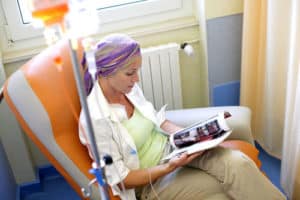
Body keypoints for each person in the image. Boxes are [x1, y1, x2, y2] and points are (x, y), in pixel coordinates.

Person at [79, 34, 286, 200]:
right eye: (131, 73)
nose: (137, 79)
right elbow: (122, 179)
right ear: (106, 73)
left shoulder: (127, 87)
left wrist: (192, 136)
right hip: (151, 182)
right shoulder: (96, 120)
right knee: (219, 192)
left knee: (240, 165)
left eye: (137, 71)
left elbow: (157, 120)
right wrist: (169, 167)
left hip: (174, 150)